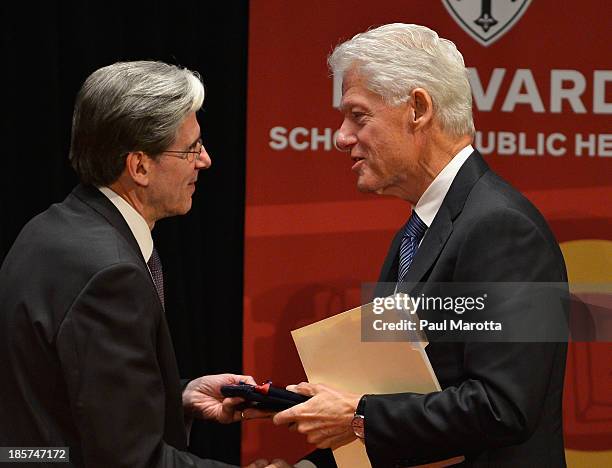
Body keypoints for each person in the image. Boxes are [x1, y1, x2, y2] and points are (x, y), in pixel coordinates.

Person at [270, 24, 569, 467]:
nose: (341, 136)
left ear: (418, 109)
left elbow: (503, 407)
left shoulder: (502, 228)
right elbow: (395, 395)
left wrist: (355, 414)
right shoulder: (417, 232)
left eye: (358, 115)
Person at [0, 61, 251, 467]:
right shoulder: (110, 273)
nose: (205, 160)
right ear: (139, 167)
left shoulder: (49, 228)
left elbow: (70, 399)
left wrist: (179, 397)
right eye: (191, 148)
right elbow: (132, 460)